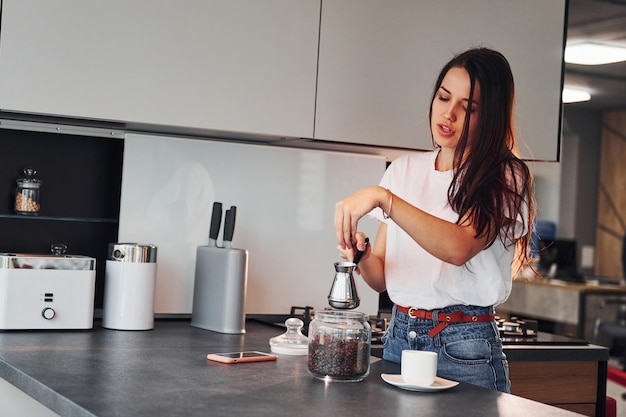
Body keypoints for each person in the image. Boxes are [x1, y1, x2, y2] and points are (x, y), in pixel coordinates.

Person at [333, 47, 535, 393]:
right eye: (444, 97)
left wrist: (384, 198)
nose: (449, 113)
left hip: (464, 345)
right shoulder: (402, 171)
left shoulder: (505, 175)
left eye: (467, 107)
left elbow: (459, 246)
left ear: (490, 116)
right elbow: (381, 277)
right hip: (400, 337)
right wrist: (361, 254)